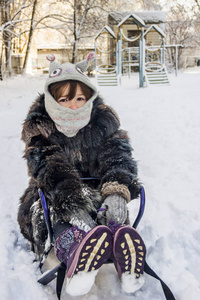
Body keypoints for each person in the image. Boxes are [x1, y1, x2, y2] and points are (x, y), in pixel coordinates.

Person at [18, 53, 146, 296]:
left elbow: (118, 156)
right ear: (53, 99)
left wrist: (117, 190)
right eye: (65, 99)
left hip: (98, 188)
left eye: (79, 98)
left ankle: (124, 257)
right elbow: (47, 165)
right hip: (57, 191)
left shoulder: (102, 121)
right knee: (56, 217)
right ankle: (76, 254)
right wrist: (71, 202)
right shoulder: (40, 126)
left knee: (111, 213)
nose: (74, 105)